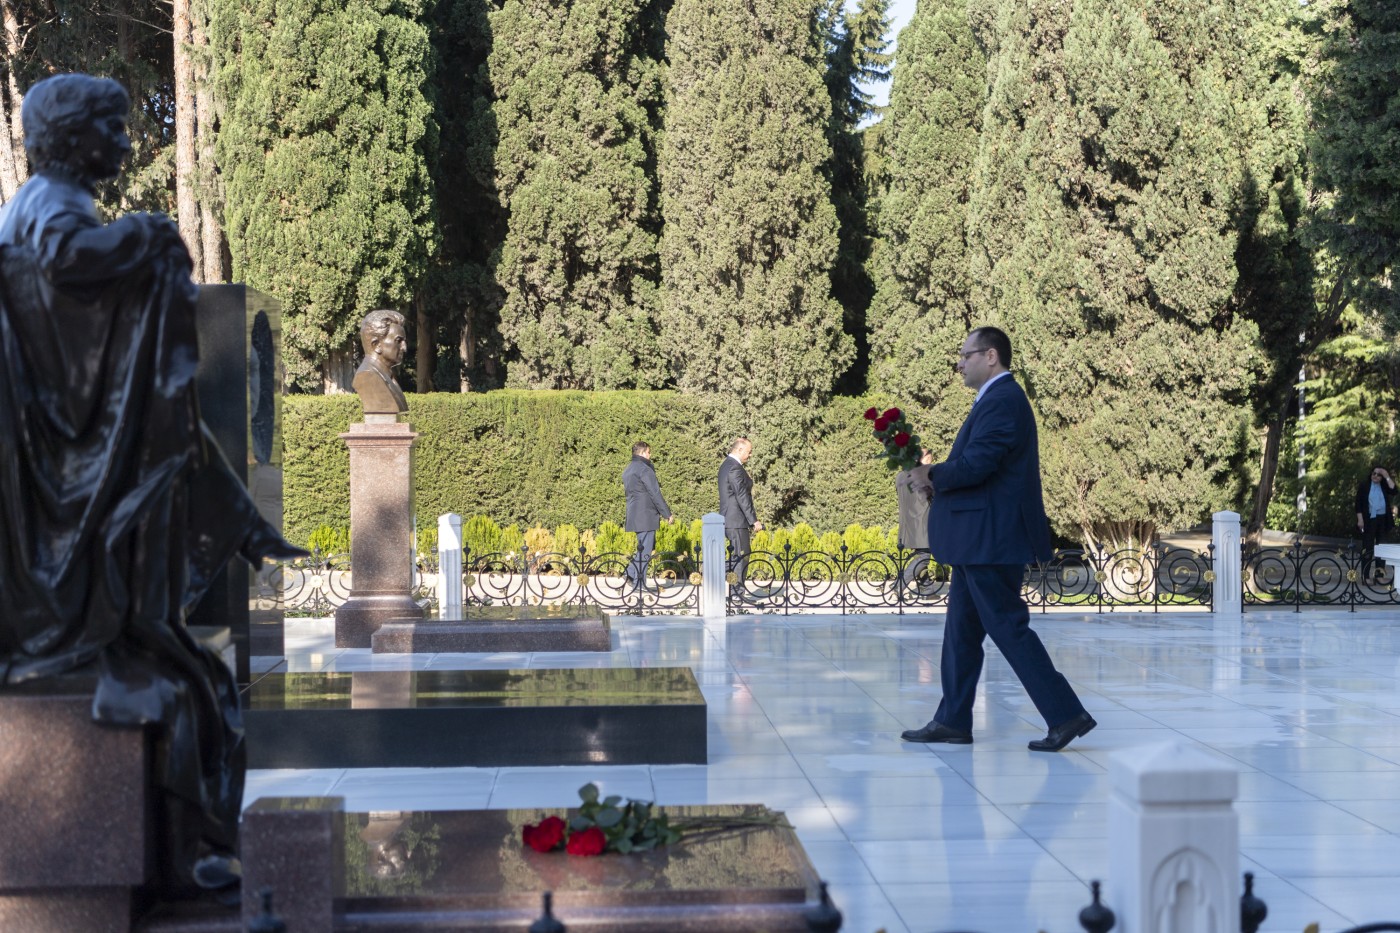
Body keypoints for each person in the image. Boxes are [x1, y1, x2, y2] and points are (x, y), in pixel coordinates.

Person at [0, 74, 304, 894]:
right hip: (67, 503)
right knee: (196, 682)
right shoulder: (54, 208)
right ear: (75, 139)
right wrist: (149, 236)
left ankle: (193, 843)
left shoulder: (40, 201)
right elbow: (67, 268)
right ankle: (198, 844)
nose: (128, 144)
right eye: (115, 127)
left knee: (194, 674)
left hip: (63, 484)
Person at [901, 326, 1094, 752]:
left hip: (991, 538)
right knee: (961, 633)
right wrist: (938, 479)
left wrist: (933, 473)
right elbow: (982, 468)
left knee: (1008, 627)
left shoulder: (1004, 399)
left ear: (991, 357)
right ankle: (952, 720)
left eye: (965, 357)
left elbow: (979, 464)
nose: (960, 365)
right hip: (980, 539)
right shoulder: (994, 399)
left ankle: (1065, 713)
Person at [621, 441, 673, 592]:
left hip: (635, 514)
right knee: (645, 550)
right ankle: (638, 583)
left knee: (643, 548)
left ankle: (630, 574)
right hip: (646, 515)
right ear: (643, 453)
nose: (650, 455)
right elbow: (654, 492)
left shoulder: (629, 469)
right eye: (649, 452)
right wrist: (666, 513)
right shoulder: (645, 469)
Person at [718, 437, 762, 600]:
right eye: (749, 452)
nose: (750, 455)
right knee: (740, 557)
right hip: (735, 519)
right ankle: (735, 591)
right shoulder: (734, 468)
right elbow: (742, 496)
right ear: (739, 450)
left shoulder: (726, 465)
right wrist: (753, 520)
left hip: (731, 518)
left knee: (738, 556)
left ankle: (734, 588)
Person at [352, 308, 409, 415]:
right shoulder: (367, 375)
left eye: (404, 341)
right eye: (398, 341)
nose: (404, 348)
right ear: (377, 345)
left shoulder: (388, 376)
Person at [896, 447, 935, 595]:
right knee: (924, 558)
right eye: (929, 460)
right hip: (923, 522)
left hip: (909, 523)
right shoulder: (923, 476)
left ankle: (927, 589)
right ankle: (899, 586)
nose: (930, 464)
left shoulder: (901, 476)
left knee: (920, 555)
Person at [1356, 466, 1396, 582]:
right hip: (1369, 519)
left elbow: (1394, 491)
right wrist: (1360, 520)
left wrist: (1387, 475)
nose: (1375, 476)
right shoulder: (1364, 486)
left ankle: (1379, 575)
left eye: (1379, 475)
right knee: (1368, 547)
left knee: (1381, 547)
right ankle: (1366, 576)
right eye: (1374, 474)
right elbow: (1358, 504)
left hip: (1383, 519)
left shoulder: (1384, 486)